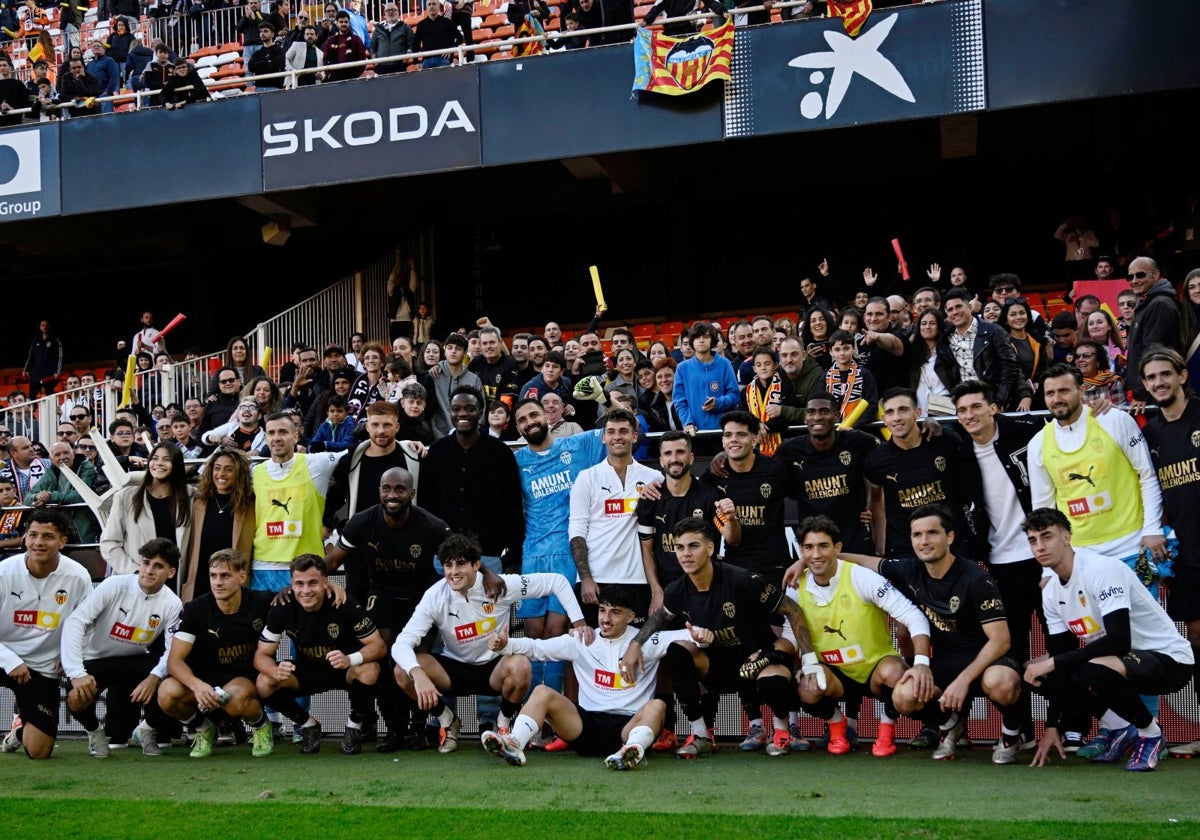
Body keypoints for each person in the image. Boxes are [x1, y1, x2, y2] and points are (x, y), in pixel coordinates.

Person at [832, 505, 1026, 763]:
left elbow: (1001, 640)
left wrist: (963, 680)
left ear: (950, 537)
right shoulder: (909, 569)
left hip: (990, 661)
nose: (924, 541)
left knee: (1000, 682)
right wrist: (814, 559)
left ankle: (1013, 734)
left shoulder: (976, 578)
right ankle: (950, 724)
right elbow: (863, 561)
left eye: (932, 533)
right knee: (904, 695)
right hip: (947, 663)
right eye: (917, 535)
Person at [619, 517, 820, 759]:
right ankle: (702, 736)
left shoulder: (742, 579)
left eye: (693, 546)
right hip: (720, 668)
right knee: (677, 651)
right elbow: (659, 618)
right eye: (680, 548)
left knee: (772, 682)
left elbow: (793, 610)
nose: (685, 554)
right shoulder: (677, 589)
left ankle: (781, 731)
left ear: (711, 548)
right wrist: (634, 644)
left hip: (760, 661)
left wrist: (809, 660)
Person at [1024, 508, 1193, 772]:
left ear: (1067, 537)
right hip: (1123, 662)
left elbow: (1119, 641)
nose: (1040, 546)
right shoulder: (1051, 592)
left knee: (1088, 668)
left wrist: (1054, 661)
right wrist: (1052, 726)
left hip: (1169, 661)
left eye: (1047, 537)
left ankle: (1150, 734)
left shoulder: (1100, 569)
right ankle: (1120, 727)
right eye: (1033, 541)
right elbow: (1061, 657)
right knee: (1039, 673)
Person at [391, 533, 587, 753]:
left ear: (477, 565)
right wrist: (417, 674)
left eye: (461, 564)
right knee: (402, 671)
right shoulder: (434, 596)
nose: (454, 572)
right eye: (448, 565)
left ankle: (502, 726)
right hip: (453, 670)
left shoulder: (501, 585)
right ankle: (448, 722)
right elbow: (400, 643)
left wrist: (579, 622)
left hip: (494, 669)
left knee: (521, 665)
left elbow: (556, 581)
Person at [481, 585, 708, 769]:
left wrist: (702, 635)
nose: (606, 618)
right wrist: (506, 644)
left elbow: (689, 634)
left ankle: (632, 752)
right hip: (584, 727)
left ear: (630, 616)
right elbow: (537, 647)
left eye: (615, 612)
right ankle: (514, 743)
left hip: (628, 728)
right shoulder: (583, 639)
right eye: (602, 610)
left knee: (658, 705)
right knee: (542, 692)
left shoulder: (645, 641)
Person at [784, 516, 933, 757]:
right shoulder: (795, 586)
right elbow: (791, 633)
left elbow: (914, 616)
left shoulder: (861, 577)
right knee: (805, 688)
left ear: (837, 548)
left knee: (898, 673)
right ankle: (836, 724)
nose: (816, 554)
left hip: (875, 668)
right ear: (801, 551)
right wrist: (797, 663)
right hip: (833, 673)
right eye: (809, 547)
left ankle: (886, 730)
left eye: (823, 546)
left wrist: (922, 663)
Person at [324, 467, 448, 751]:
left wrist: (487, 575)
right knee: (385, 658)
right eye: (386, 489)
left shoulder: (431, 525)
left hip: (422, 599)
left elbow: (460, 555)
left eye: (400, 489)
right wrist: (309, 582)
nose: (392, 495)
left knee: (417, 660)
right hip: (382, 596)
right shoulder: (361, 522)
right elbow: (331, 562)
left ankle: (418, 728)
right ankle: (393, 729)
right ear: (379, 491)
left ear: (412, 494)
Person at [510, 398, 606, 700]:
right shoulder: (516, 461)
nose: (530, 422)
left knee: (556, 633)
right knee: (532, 635)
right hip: (533, 555)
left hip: (569, 555)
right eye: (523, 420)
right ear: (518, 428)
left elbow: (621, 425)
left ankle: (550, 710)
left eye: (534, 415)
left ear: (548, 417)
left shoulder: (578, 446)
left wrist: (605, 397)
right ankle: (531, 715)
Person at [1028, 364, 1165, 565]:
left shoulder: (1115, 420)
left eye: (1064, 390)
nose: (1057, 399)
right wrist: (1049, 568)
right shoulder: (1037, 444)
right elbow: (1043, 508)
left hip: (1131, 546)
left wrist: (1152, 529)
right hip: (1081, 556)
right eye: (1050, 393)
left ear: (1081, 390)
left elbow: (1147, 475)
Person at [61, 538, 182, 757]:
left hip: (135, 660)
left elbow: (172, 650)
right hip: (96, 660)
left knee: (173, 674)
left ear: (171, 572)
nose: (148, 571)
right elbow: (76, 622)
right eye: (146, 563)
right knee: (76, 697)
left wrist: (154, 676)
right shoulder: (113, 585)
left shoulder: (172, 603)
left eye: (158, 566)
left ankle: (146, 730)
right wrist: (75, 671)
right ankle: (94, 732)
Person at [255, 554, 387, 754]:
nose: (305, 590)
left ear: (326, 582)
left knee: (370, 670)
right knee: (264, 683)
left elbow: (378, 646)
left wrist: (349, 659)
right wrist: (275, 670)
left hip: (344, 669)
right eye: (299, 583)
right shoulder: (282, 607)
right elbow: (261, 656)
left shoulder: (344, 603)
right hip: (307, 671)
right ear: (291, 584)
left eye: (313, 583)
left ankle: (354, 726)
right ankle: (308, 725)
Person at [1138, 347, 1200, 756]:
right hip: (1186, 556)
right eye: (1151, 377)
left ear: (1181, 375)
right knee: (1196, 639)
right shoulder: (1152, 432)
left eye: (1165, 374)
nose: (1159, 382)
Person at [157, 549, 276, 758]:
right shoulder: (195, 609)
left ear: (242, 576)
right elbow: (174, 661)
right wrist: (197, 685)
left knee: (234, 698)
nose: (218, 582)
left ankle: (261, 726)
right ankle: (204, 729)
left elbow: (299, 596)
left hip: (243, 678)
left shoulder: (261, 601)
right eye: (213, 576)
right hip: (204, 679)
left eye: (225, 576)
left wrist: (330, 586)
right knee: (167, 693)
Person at [0, 510, 92, 759]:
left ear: (62, 541)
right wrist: (10, 661)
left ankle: (20, 730)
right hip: (4, 657)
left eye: (48, 536)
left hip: (43, 668)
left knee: (39, 752)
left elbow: (85, 625)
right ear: (25, 538)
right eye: (33, 535)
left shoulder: (78, 576)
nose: (38, 542)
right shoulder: (4, 572)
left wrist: (72, 656)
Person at [568, 409, 663, 624]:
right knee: (593, 651)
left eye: (623, 431)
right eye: (611, 432)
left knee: (635, 650)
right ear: (603, 437)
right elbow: (576, 532)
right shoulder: (586, 478)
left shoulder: (654, 478)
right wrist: (585, 578)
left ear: (635, 436)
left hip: (637, 579)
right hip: (596, 580)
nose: (617, 437)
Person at [863, 388, 966, 559]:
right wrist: (880, 545)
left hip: (952, 544)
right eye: (890, 412)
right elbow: (877, 500)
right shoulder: (876, 460)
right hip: (906, 549)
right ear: (884, 419)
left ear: (917, 413)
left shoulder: (945, 441)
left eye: (903, 410)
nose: (896, 417)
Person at [251, 413, 346, 593]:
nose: (276, 437)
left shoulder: (316, 463)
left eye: (283, 432)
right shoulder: (256, 472)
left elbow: (356, 451)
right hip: (264, 566)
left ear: (295, 436)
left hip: (307, 566)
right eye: (271, 433)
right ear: (265, 438)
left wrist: (407, 445)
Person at [776, 393, 882, 554]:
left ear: (836, 416)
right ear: (805, 418)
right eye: (811, 412)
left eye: (824, 411)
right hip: (815, 548)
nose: (817, 417)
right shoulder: (789, 449)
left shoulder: (858, 441)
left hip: (855, 543)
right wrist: (723, 456)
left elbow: (892, 456)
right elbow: (762, 469)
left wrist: (927, 425)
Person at [99, 443, 194, 576]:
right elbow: (109, 542)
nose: (159, 463)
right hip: (137, 580)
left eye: (166, 459)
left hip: (176, 580)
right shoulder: (126, 497)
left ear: (176, 464)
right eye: (155, 458)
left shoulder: (191, 496)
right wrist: (136, 571)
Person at [184, 447, 255, 602]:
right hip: (200, 582)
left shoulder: (250, 505)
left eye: (229, 469)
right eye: (217, 468)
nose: (221, 474)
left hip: (233, 584)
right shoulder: (198, 502)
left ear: (239, 473)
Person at [943, 288, 1022, 410]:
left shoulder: (993, 331)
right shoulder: (946, 337)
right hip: (961, 404)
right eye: (950, 309)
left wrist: (999, 402)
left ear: (970, 306)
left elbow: (1009, 367)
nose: (955, 312)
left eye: (959, 307)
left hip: (989, 402)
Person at [1125, 256, 1182, 408]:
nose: (1134, 280)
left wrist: (1142, 391)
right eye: (1130, 277)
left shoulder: (1159, 305)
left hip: (1151, 395)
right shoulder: (1147, 303)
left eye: (1140, 275)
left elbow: (1152, 352)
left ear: (1155, 275)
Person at [673, 322, 739, 437]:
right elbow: (679, 401)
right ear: (692, 341)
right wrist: (688, 422)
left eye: (706, 337)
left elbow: (734, 395)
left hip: (722, 432)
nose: (701, 340)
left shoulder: (725, 364)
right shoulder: (682, 368)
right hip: (694, 433)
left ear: (712, 340)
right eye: (697, 337)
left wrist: (718, 403)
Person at [413, 0, 462, 70]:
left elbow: (460, 37)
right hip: (427, 60)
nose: (431, 6)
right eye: (429, 4)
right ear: (426, 7)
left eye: (433, 4)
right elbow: (416, 43)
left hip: (444, 60)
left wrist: (451, 49)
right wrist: (415, 61)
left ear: (438, 6)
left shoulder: (447, 22)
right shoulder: (421, 25)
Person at [22, 319, 63, 400]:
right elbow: (31, 356)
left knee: (50, 397)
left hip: (49, 375)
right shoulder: (35, 341)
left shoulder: (55, 342)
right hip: (35, 375)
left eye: (47, 325)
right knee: (31, 398)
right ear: (39, 327)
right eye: (43, 325)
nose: (45, 327)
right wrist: (26, 369)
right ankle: (32, 412)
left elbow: (59, 358)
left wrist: (57, 372)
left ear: (50, 327)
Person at [322, 11, 367, 82]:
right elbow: (325, 59)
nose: (343, 24)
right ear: (337, 23)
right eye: (341, 22)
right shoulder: (330, 41)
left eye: (346, 22)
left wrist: (356, 74)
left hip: (352, 77)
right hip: (334, 77)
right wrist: (329, 75)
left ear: (349, 23)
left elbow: (362, 58)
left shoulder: (356, 39)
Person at [371, 4, 413, 73]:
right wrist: (376, 64)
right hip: (381, 67)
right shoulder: (378, 29)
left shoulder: (405, 27)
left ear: (398, 12)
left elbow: (411, 45)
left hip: (399, 66)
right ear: (384, 14)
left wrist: (404, 63)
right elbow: (372, 47)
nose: (390, 12)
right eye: (388, 10)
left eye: (393, 10)